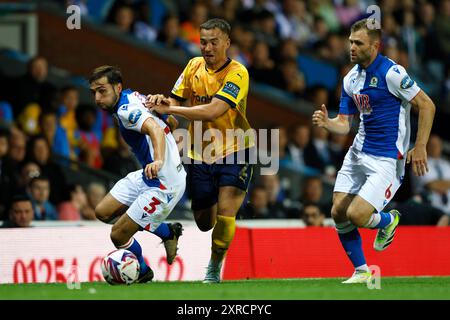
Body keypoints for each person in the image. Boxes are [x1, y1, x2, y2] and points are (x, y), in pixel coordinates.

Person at [312, 18, 436, 284]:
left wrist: (421, 145)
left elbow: (427, 105)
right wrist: (328, 123)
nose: (352, 48)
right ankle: (361, 271)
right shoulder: (351, 78)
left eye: (358, 43)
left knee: (357, 215)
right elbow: (344, 124)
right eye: (350, 42)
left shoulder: (392, 73)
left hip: (387, 159)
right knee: (337, 212)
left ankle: (389, 219)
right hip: (358, 152)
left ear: (375, 45)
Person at [146, 18, 254, 283]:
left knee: (226, 215)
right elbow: (176, 100)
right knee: (205, 222)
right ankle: (220, 202)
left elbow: (214, 109)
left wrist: (170, 109)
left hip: (236, 149)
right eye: (203, 42)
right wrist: (164, 102)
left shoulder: (237, 73)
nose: (207, 47)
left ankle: (214, 268)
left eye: (213, 42)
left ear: (227, 43)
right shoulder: (193, 66)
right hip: (199, 154)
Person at [89, 65, 186, 283]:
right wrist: (169, 120)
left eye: (102, 91)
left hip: (164, 184)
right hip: (147, 175)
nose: (97, 98)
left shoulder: (125, 110)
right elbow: (169, 121)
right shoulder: (133, 96)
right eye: (94, 92)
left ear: (117, 87)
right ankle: (167, 232)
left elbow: (155, 129)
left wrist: (159, 159)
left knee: (118, 234)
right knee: (103, 212)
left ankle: (142, 271)